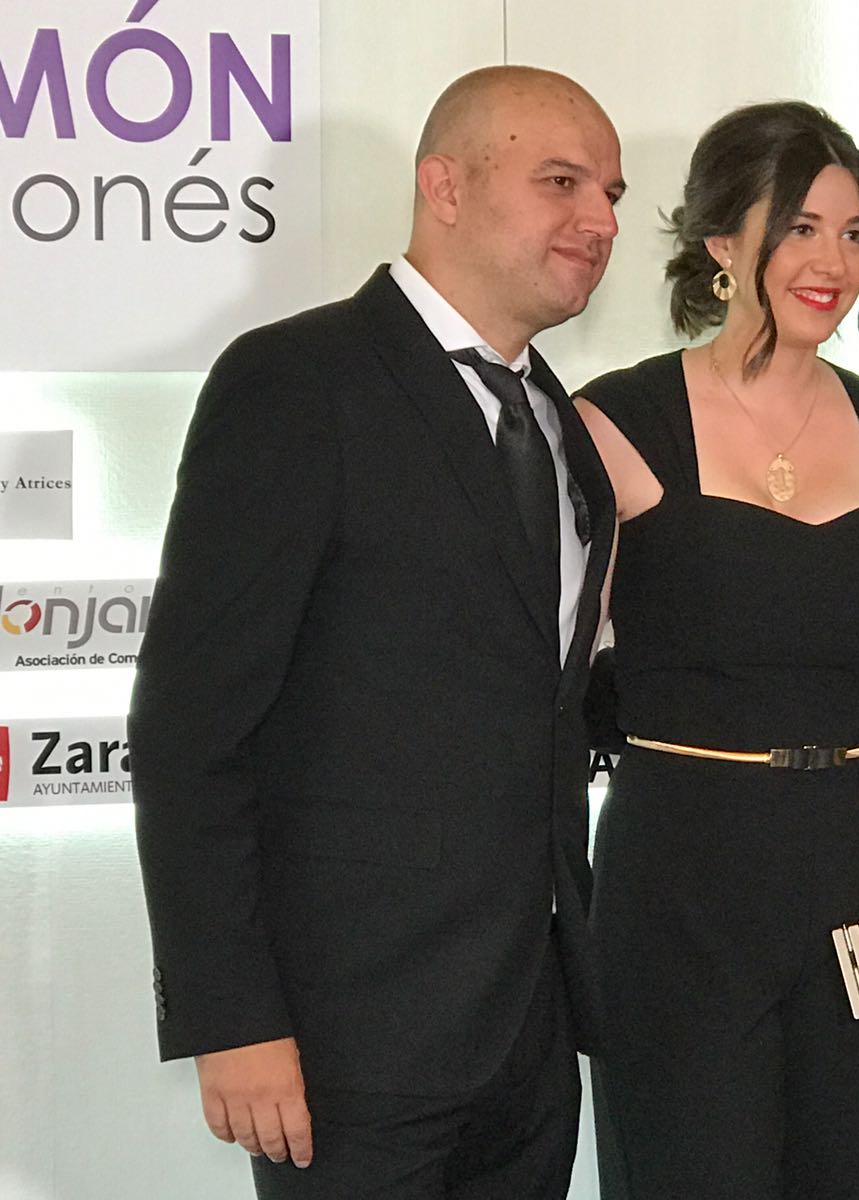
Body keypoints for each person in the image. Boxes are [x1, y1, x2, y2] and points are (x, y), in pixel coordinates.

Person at [128, 66, 623, 1199]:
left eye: (609, 191)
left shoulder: (560, 423)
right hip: (345, 1039)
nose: (599, 220)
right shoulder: (296, 382)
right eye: (561, 183)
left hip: (529, 1035)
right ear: (443, 187)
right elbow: (191, 728)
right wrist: (231, 1017)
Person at [574, 101, 859, 1199]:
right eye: (799, 228)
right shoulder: (617, 421)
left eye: (853, 235)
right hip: (679, 870)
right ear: (721, 240)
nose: (832, 263)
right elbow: (544, 674)